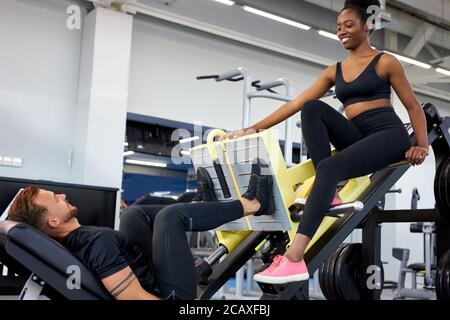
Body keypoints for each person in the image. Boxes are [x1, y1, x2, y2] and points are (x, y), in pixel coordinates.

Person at [228, 0, 429, 284]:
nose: (342, 32)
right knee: (311, 108)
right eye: (338, 27)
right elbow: (297, 103)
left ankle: (295, 257)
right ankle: (329, 190)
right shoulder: (334, 70)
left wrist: (421, 144)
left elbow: (413, 107)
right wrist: (253, 128)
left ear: (367, 25)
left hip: (388, 137)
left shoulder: (385, 61)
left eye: (349, 25)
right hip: (358, 137)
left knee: (330, 167)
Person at [7, 168, 274, 300]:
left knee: (132, 214)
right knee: (172, 217)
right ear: (53, 221)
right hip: (169, 296)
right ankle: (254, 204)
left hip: (149, 274)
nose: (63, 195)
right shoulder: (95, 243)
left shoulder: (80, 239)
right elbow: (134, 298)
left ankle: (198, 206)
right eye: (56, 198)